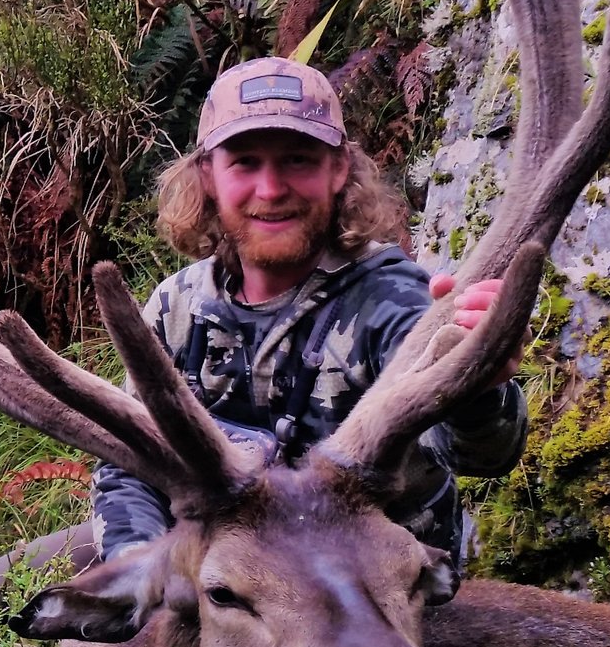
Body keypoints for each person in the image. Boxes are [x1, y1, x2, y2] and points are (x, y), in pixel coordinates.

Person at [88, 56, 528, 598]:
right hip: (220, 576)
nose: (271, 189)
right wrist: (138, 573)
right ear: (208, 175)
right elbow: (130, 464)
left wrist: (477, 387)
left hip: (360, 597)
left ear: (338, 169)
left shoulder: (393, 304)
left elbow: (482, 454)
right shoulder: (176, 307)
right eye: (245, 162)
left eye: (297, 160)